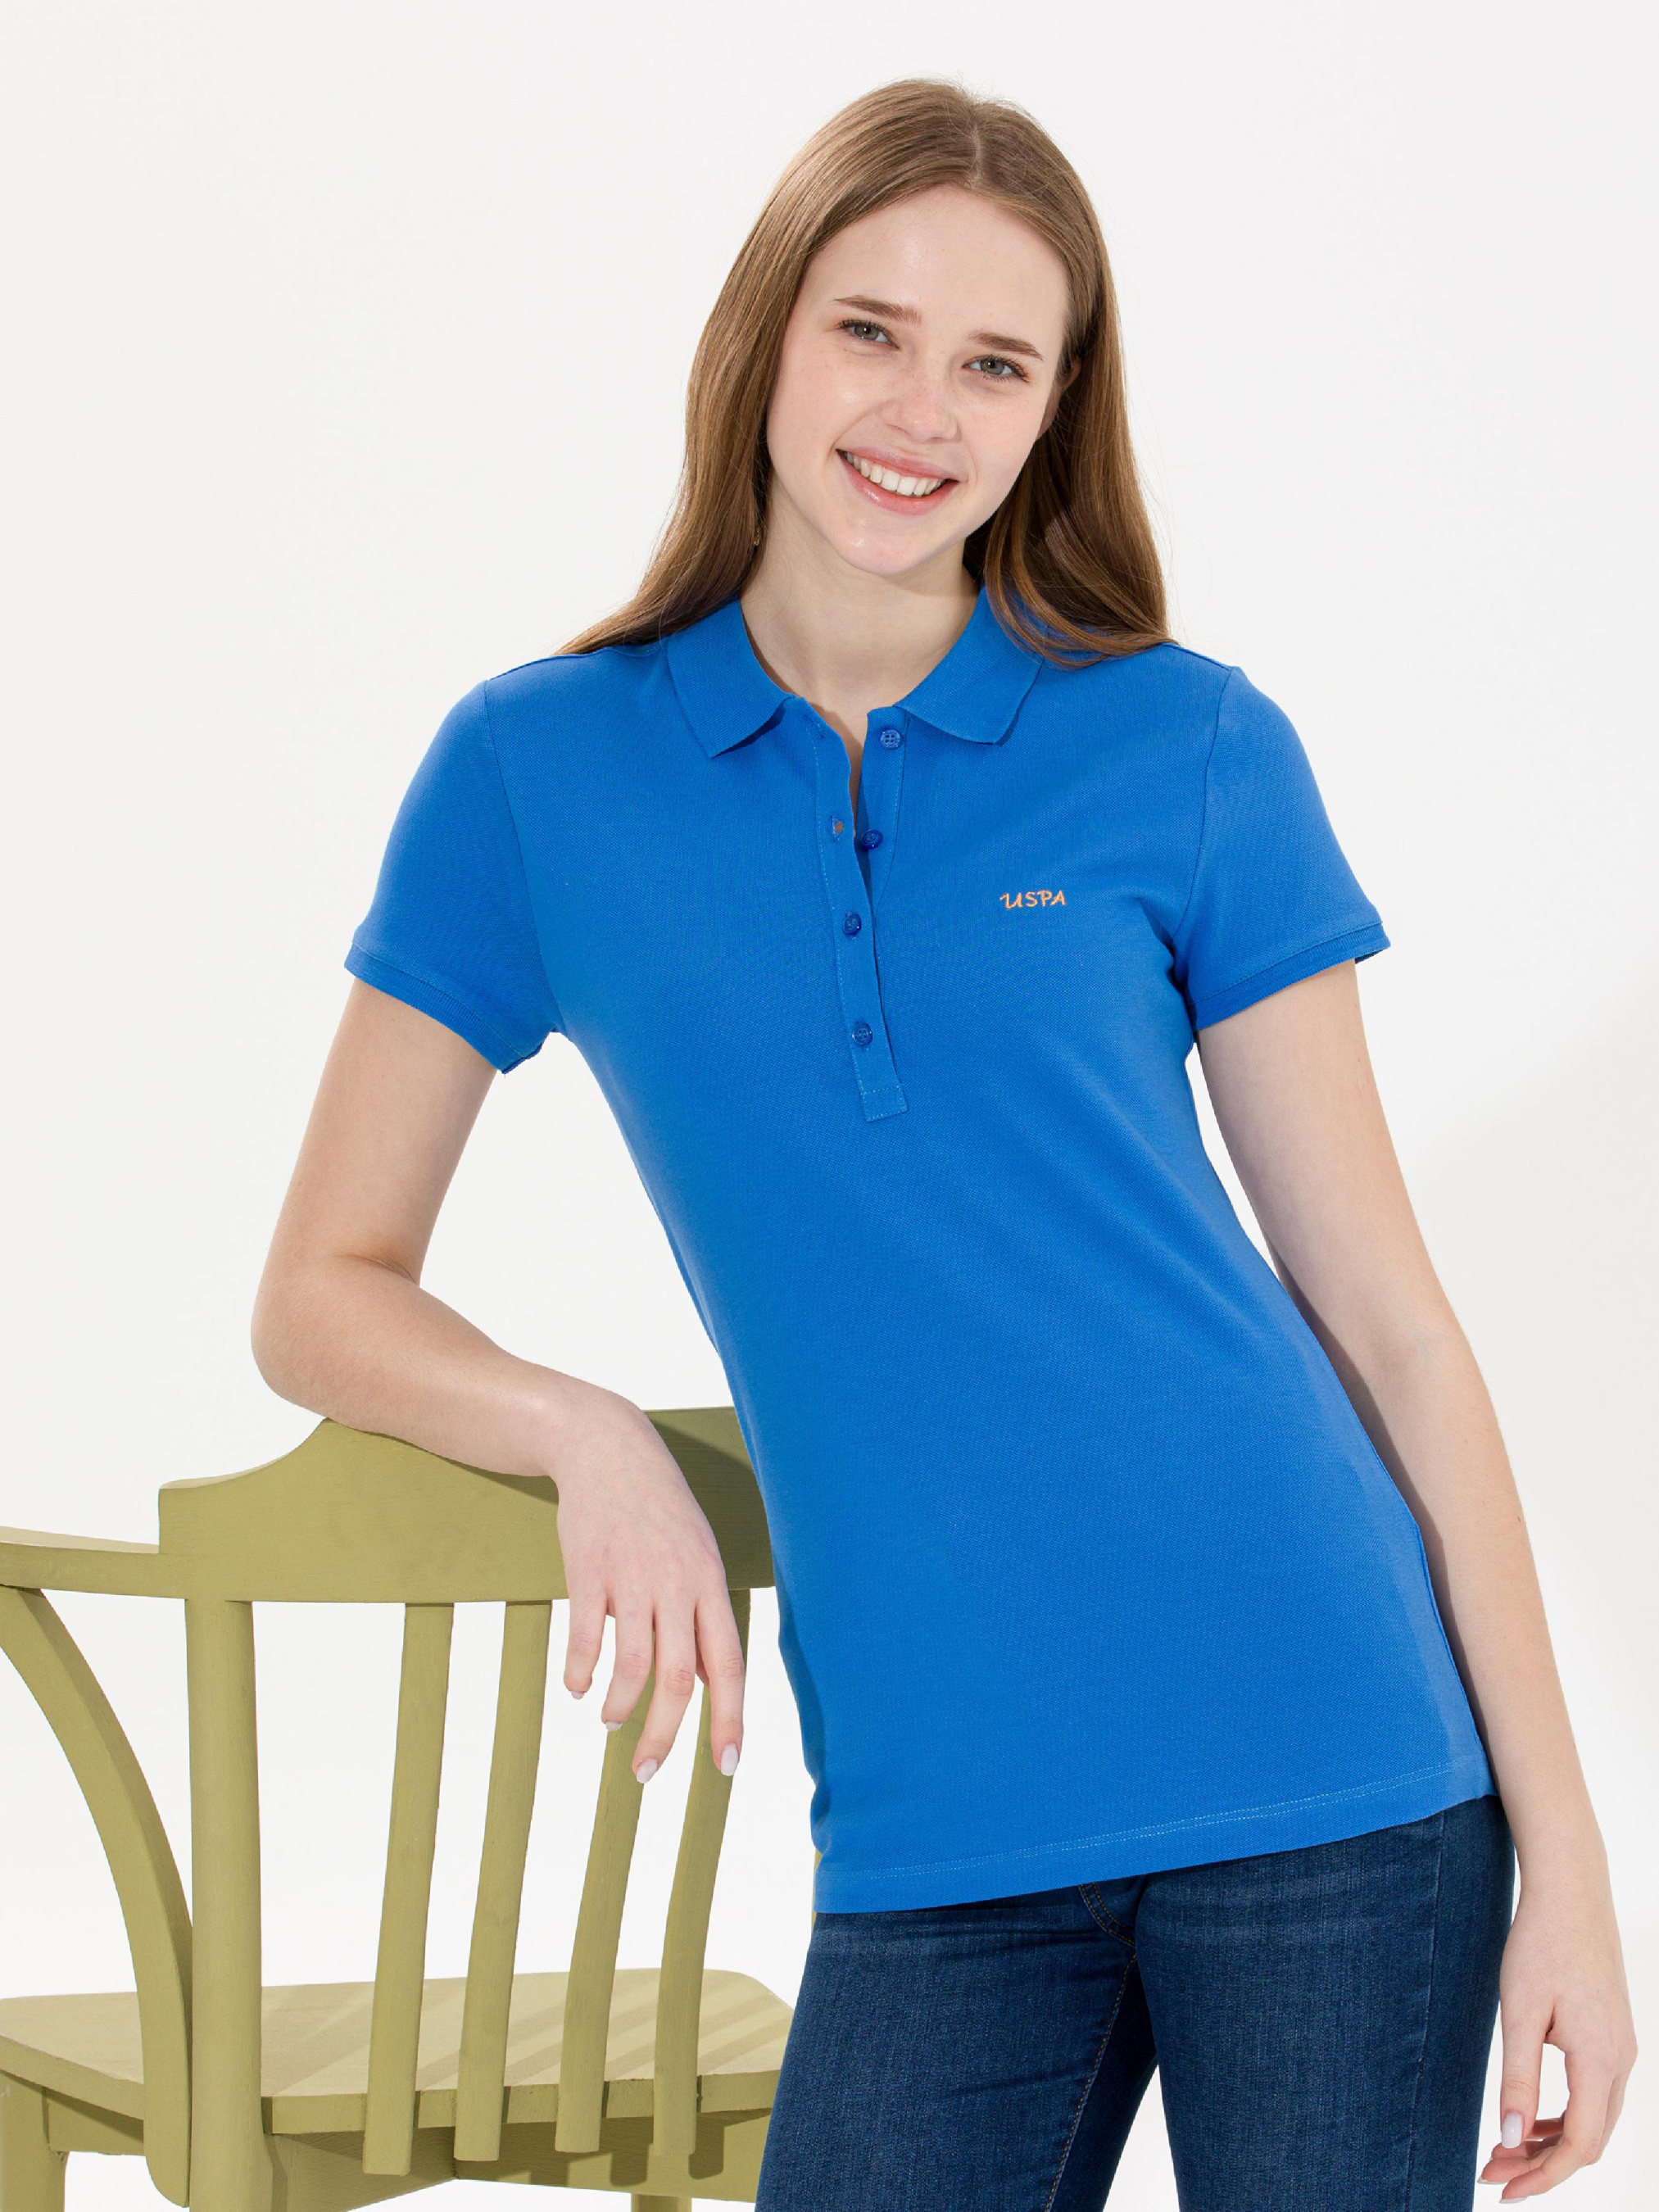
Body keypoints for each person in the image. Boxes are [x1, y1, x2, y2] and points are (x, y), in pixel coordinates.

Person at [251, 76, 1635, 2212]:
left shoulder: (1186, 743)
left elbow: (1389, 1327)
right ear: (765, 340)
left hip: (1336, 1766)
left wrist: (1572, 1865)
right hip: (936, 1827)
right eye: (870, 330)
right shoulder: (536, 772)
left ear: (1056, 408)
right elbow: (318, 1289)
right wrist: (581, 1430)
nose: (921, 411)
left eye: (996, 361)